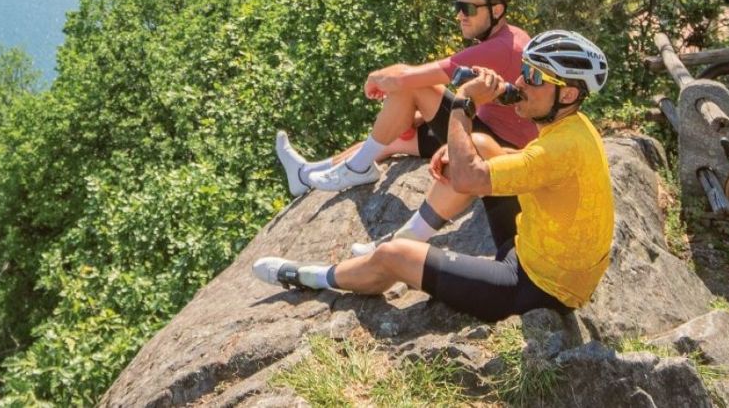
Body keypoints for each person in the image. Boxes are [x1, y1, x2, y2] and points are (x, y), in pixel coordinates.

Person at [253, 30, 616, 323]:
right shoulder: (574, 128)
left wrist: (463, 105)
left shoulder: (558, 149)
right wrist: (465, 147)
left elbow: (467, 180)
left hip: (536, 288)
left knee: (394, 256)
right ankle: (414, 233)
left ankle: (308, 275)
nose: (520, 80)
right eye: (524, 69)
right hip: (533, 249)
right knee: (480, 145)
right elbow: (530, 169)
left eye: (534, 76)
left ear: (567, 92)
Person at [274, 0, 535, 252]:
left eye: (467, 8)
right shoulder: (508, 37)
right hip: (487, 128)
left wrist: (377, 78)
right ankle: (308, 174)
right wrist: (420, 115)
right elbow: (492, 96)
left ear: (496, 10)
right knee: (393, 137)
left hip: (497, 146)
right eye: (456, 6)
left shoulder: (499, 47)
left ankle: (364, 178)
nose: (458, 15)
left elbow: (407, 78)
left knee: (413, 88)